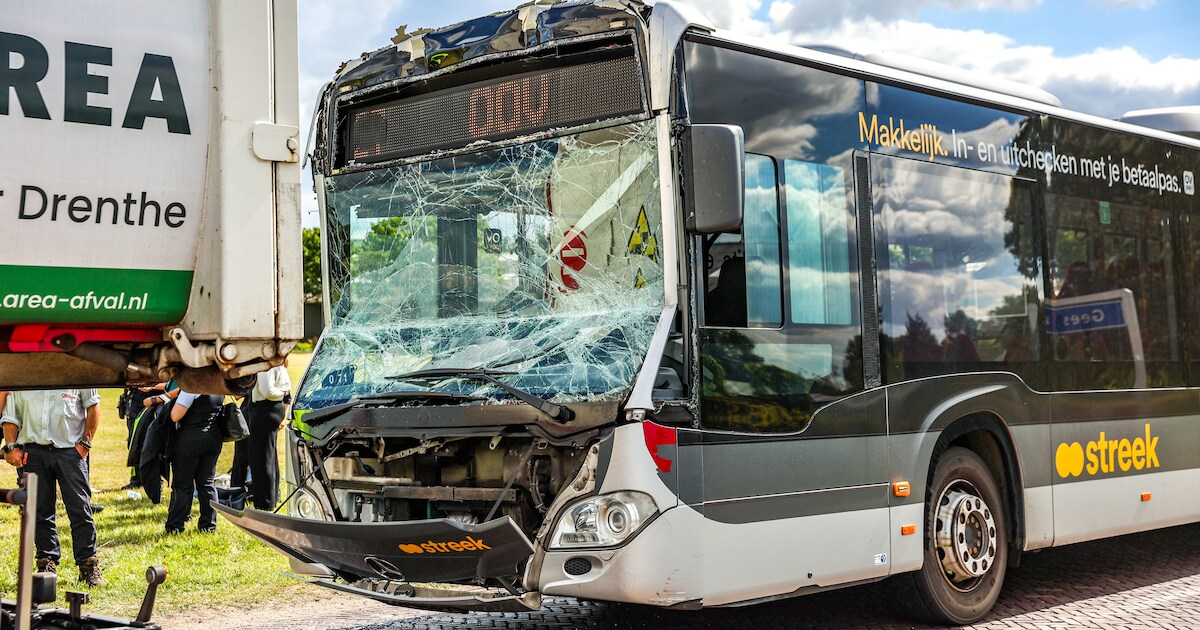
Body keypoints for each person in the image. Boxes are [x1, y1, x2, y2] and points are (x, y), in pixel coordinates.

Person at [0, 389, 105, 587]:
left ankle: (88, 565)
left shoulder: (78, 374)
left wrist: (85, 444)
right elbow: (11, 416)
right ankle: (46, 564)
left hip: (70, 452)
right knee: (39, 511)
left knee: (80, 509)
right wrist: (11, 445)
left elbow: (93, 405)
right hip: (33, 452)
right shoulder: (22, 377)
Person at [231, 364, 292, 510]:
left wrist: (282, 392)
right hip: (268, 409)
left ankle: (264, 502)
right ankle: (270, 497)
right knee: (267, 457)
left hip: (263, 410)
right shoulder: (276, 364)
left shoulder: (265, 365)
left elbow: (267, 391)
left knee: (260, 459)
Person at [165, 388, 224, 534]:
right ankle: (208, 526)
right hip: (213, 438)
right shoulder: (219, 386)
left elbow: (175, 416)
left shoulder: (191, 389)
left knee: (182, 485)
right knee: (207, 484)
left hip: (190, 439)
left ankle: (175, 526)